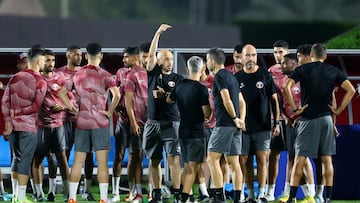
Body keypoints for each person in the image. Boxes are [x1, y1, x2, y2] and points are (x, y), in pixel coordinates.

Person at [283, 43, 355, 203]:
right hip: (326, 120)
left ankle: (292, 198)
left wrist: (295, 109)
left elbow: (286, 87)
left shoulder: (301, 70)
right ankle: (327, 198)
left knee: (299, 159)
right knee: (327, 160)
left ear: (311, 55)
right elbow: (351, 90)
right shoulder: (333, 70)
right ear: (325, 56)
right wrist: (338, 110)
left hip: (308, 119)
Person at [62, 43, 120, 203]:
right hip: (100, 122)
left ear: (86, 56)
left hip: (82, 121)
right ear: (100, 56)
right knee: (102, 163)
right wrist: (109, 112)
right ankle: (102, 198)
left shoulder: (77, 74)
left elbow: (61, 92)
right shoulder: (107, 75)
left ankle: (72, 198)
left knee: (78, 161)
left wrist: (72, 108)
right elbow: (117, 95)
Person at [235, 44, 280, 202]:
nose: (251, 59)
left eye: (253, 55)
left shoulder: (265, 75)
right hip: (243, 127)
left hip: (263, 127)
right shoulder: (237, 77)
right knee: (243, 161)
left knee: (262, 160)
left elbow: (274, 100)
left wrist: (277, 123)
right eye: (247, 55)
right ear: (242, 57)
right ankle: (248, 195)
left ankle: (262, 194)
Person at [1, 46, 47, 203]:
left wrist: (8, 119)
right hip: (28, 127)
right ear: (39, 61)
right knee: (24, 161)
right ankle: (20, 197)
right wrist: (19, 113)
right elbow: (36, 106)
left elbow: (4, 101)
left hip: (13, 126)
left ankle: (15, 196)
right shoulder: (40, 81)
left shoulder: (15, 77)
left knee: (16, 159)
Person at [143, 24, 182, 203]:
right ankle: (156, 194)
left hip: (171, 123)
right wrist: (157, 33)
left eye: (171, 59)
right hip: (153, 123)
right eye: (165, 59)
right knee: (154, 160)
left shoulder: (178, 79)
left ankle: (177, 194)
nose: (169, 62)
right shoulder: (152, 74)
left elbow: (178, 99)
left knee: (173, 159)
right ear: (158, 62)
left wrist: (164, 95)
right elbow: (151, 55)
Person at [166, 56, 212, 203]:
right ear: (203, 69)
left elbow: (169, 100)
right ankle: (184, 198)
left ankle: (187, 196)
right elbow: (207, 114)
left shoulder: (179, 85)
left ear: (187, 69)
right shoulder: (201, 89)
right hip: (196, 132)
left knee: (187, 165)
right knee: (193, 167)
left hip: (183, 130)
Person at [56, 46, 96, 201]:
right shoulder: (59, 73)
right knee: (64, 155)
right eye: (76, 55)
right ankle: (67, 190)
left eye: (81, 55)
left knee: (88, 156)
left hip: (83, 120)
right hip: (65, 121)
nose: (79, 57)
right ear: (68, 55)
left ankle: (86, 190)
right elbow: (54, 93)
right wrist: (65, 105)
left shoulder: (85, 72)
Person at [206, 47, 246, 203]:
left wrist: (235, 118)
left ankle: (219, 197)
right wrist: (241, 120)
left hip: (224, 124)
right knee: (234, 163)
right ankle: (237, 198)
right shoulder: (232, 76)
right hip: (235, 126)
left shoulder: (220, 77)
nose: (206, 62)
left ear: (213, 61)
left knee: (211, 159)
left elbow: (227, 99)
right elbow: (242, 102)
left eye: (207, 60)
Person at [31, 49, 70, 202]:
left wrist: (63, 105)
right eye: (47, 60)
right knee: (38, 160)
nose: (50, 63)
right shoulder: (36, 79)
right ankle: (39, 194)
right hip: (41, 126)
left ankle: (68, 194)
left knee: (61, 159)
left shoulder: (60, 78)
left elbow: (69, 96)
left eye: (52, 60)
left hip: (58, 125)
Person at [276, 53, 315, 203]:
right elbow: (281, 104)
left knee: (304, 159)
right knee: (292, 158)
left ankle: (311, 195)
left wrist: (302, 118)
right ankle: (289, 193)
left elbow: (310, 102)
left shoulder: (304, 81)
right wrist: (286, 118)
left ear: (294, 64)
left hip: (303, 124)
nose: (281, 65)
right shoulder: (284, 82)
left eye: (284, 63)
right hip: (289, 124)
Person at [124, 46, 149, 203]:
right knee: (136, 157)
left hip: (154, 123)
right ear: (140, 57)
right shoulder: (133, 75)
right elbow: (128, 102)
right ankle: (137, 192)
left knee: (154, 158)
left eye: (149, 56)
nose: (147, 59)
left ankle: (155, 191)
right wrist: (133, 122)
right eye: (144, 56)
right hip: (138, 123)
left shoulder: (156, 73)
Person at [265, 40, 290, 201]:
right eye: (275, 52)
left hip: (293, 120)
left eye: (280, 52)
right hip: (276, 119)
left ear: (287, 53)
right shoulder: (270, 71)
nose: (277, 55)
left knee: (295, 156)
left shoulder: (295, 71)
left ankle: (288, 191)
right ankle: (270, 192)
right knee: (273, 155)